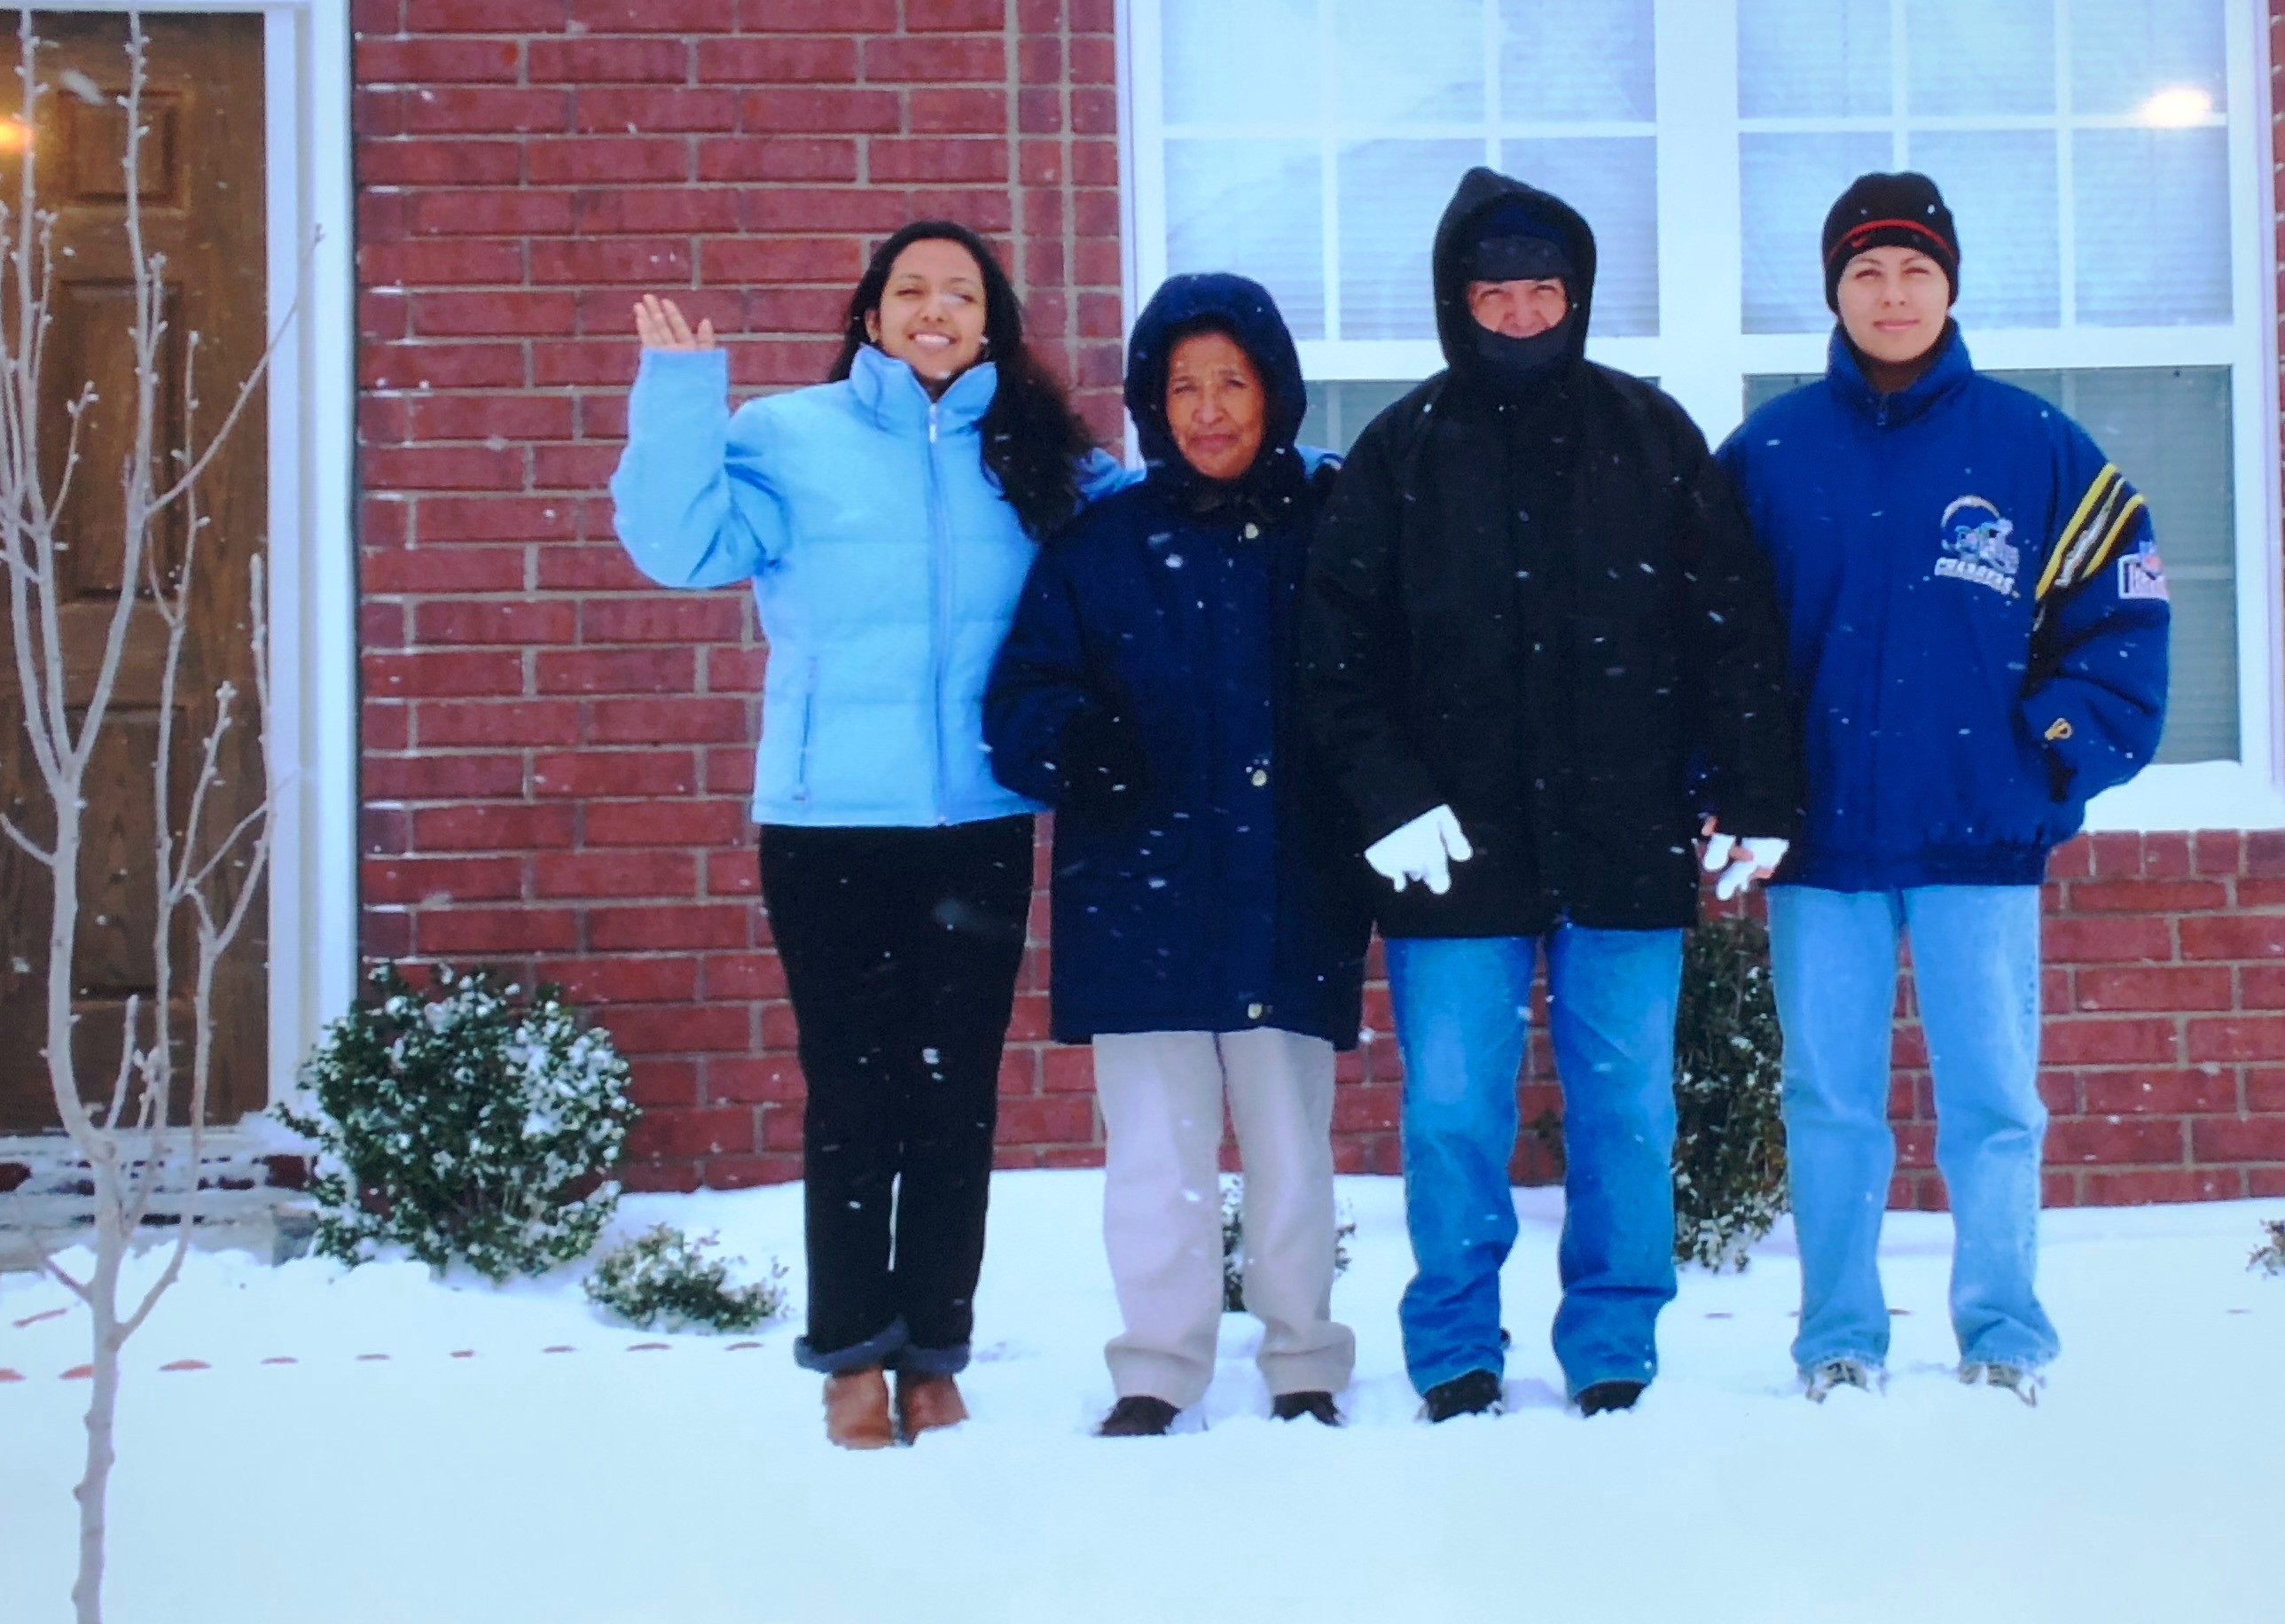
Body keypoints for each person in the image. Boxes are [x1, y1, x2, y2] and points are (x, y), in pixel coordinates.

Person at [1298, 167, 1802, 1422]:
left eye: (1542, 292)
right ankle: (1456, 1346)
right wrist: (1387, 796)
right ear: (1455, 302)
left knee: (1626, 1106)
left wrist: (1752, 786)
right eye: (1493, 295)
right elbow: (1335, 653)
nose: (1519, 314)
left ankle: (1615, 1341)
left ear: (1575, 297)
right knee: (1452, 1111)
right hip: (1449, 845)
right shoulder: (1403, 452)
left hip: (1620, 834)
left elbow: (1730, 628)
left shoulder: (1650, 437)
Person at [610, 223, 1114, 1452]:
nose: (935, 310)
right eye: (911, 290)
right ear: (872, 316)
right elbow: (677, 546)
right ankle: (849, 1356)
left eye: (961, 293)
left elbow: (1154, 527)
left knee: (956, 1097)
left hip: (979, 821)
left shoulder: (1036, 453)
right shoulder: (790, 436)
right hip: (828, 823)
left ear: (990, 323)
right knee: (852, 1092)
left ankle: (934, 1352)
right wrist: (680, 395)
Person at [1718, 171, 2172, 1406]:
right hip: (1821, 842)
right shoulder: (1768, 456)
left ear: (1950, 285)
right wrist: (1731, 782)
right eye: (1866, 271)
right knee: (1829, 1103)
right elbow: (1705, 640)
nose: (1893, 294)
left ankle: (2005, 1332)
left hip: (1980, 832)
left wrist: (2048, 747)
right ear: (1834, 292)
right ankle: (1838, 1336)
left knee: (1993, 1101)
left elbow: (2123, 612)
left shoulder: (2033, 447)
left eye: (1915, 269)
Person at [985, 273, 1370, 1437]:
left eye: (1232, 384)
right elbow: (1021, 699)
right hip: (1138, 897)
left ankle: (1303, 1358)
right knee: (1155, 1156)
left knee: (1292, 1148)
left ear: (1275, 393)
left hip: (1289, 885)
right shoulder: (1098, 547)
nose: (1208, 410)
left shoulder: (1332, 528)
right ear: (1152, 403)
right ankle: (1157, 1368)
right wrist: (1076, 744)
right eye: (1183, 387)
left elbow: (1391, 677)